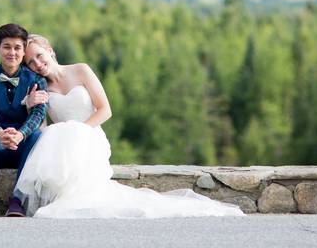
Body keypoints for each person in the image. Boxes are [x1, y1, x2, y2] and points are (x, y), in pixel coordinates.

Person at [13, 34, 247, 219]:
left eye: (39, 56)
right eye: (30, 62)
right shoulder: (38, 87)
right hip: (64, 145)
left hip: (90, 136)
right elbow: (41, 128)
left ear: (50, 51)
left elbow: (105, 109)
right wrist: (30, 106)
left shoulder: (81, 70)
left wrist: (80, 132)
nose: (37, 64)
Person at [0, 23, 48, 217]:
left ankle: (17, 199)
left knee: (37, 136)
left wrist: (20, 135)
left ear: (23, 52)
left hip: (23, 145)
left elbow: (39, 114)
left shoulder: (36, 80)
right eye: (6, 47)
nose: (11, 52)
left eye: (17, 48)